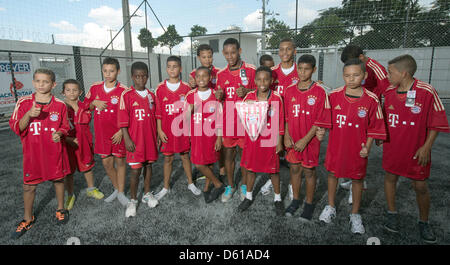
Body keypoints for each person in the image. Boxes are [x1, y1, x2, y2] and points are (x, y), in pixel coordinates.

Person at [381, 54, 449, 243]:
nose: (387, 76)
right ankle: (392, 213)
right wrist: (381, 136)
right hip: (392, 148)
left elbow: (437, 123)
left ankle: (424, 222)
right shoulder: (388, 92)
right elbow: (385, 118)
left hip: (416, 150)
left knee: (419, 186)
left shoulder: (427, 91)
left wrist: (427, 147)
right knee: (390, 177)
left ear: (403, 73)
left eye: (390, 72)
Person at [318, 59, 386, 234]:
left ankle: (355, 214)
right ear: (343, 76)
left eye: (356, 75)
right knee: (332, 174)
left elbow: (375, 126)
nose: (351, 79)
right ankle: (331, 206)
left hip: (358, 149)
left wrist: (368, 146)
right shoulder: (333, 95)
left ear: (364, 76)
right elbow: (324, 117)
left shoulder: (372, 99)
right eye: (347, 75)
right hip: (336, 147)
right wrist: (321, 131)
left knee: (357, 179)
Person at [9, 68, 71, 238]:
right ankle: (28, 218)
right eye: (37, 81)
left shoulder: (60, 105)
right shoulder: (23, 103)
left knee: (58, 180)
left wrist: (59, 133)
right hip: (33, 154)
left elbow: (65, 126)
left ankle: (60, 208)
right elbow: (16, 127)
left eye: (45, 81)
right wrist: (28, 115)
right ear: (33, 82)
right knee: (29, 186)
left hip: (54, 152)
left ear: (53, 84)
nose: (41, 84)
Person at [339, 45, 391, 200]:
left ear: (361, 58)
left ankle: (358, 183)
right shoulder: (356, 71)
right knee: (350, 145)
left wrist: (381, 123)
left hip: (368, 113)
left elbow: (388, 92)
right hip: (355, 110)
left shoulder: (376, 68)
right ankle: (353, 180)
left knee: (361, 148)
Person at [283, 55, 331, 220]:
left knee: (309, 171)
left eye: (307, 69)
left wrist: (305, 139)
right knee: (294, 169)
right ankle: (296, 200)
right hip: (293, 139)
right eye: (300, 68)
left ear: (314, 70)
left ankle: (309, 204)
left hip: (309, 141)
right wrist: (286, 135)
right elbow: (287, 117)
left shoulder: (319, 91)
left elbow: (320, 120)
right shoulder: (289, 90)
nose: (303, 72)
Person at [237, 66, 285, 216]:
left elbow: (280, 121)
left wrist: (280, 141)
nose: (262, 82)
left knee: (274, 170)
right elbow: (242, 117)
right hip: (253, 140)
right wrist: (249, 108)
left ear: (271, 80)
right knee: (251, 169)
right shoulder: (249, 97)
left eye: (265, 79)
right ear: (255, 80)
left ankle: (277, 198)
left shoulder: (276, 97)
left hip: (270, 139)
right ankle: (249, 196)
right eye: (259, 79)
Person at [155, 56, 202, 201]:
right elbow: (158, 113)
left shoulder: (187, 88)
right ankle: (165, 187)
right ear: (166, 68)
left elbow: (195, 106)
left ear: (180, 69)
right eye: (169, 66)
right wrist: (159, 130)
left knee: (184, 156)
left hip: (182, 130)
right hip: (167, 131)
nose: (172, 69)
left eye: (175, 66)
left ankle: (190, 183)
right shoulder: (160, 88)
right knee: (168, 158)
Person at [215, 38, 256, 202]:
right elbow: (219, 99)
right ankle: (231, 186)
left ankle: (244, 185)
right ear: (223, 54)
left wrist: (248, 90)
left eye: (233, 52)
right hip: (228, 123)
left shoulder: (251, 70)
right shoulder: (220, 74)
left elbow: (261, 92)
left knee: (245, 157)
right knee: (229, 156)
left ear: (239, 51)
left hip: (246, 122)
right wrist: (219, 96)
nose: (230, 56)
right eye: (227, 53)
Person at [84, 57, 129, 206]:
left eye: (112, 71)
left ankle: (121, 193)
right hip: (102, 134)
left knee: (120, 162)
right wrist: (93, 103)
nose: (108, 74)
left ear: (118, 71)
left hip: (118, 134)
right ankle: (117, 189)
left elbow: (130, 114)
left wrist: (122, 132)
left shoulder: (124, 90)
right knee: (107, 164)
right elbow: (85, 106)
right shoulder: (95, 88)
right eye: (105, 71)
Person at [118, 62, 159, 217]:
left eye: (143, 76)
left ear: (147, 76)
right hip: (135, 140)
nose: (140, 79)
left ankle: (147, 193)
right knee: (136, 171)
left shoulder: (151, 95)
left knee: (148, 166)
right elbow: (123, 120)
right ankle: (133, 199)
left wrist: (156, 136)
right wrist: (127, 139)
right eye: (137, 76)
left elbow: (155, 118)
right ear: (132, 77)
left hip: (149, 139)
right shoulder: (126, 95)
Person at [261, 38, 299, 198]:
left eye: (288, 49)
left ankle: (292, 184)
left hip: (294, 120)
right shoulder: (273, 72)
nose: (284, 52)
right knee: (273, 153)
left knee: (293, 156)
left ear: (295, 51)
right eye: (281, 49)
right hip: (274, 118)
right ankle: (272, 180)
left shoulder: (301, 71)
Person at [62, 79, 104, 211]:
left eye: (74, 90)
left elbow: (88, 114)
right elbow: (56, 128)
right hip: (67, 143)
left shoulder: (84, 106)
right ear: (63, 92)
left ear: (80, 92)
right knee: (68, 171)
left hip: (84, 142)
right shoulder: (60, 108)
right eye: (68, 90)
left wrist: (77, 105)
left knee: (87, 166)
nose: (71, 93)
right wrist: (68, 139)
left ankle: (91, 189)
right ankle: (70, 195)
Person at [186, 66, 225, 203]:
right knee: (198, 163)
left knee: (209, 162)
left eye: (204, 76)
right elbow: (185, 117)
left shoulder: (215, 95)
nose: (201, 79)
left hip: (211, 135)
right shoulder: (190, 95)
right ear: (195, 78)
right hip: (197, 136)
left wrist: (219, 138)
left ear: (210, 78)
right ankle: (218, 184)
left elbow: (220, 118)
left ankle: (207, 188)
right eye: (198, 76)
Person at [188, 44, 225, 181]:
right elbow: (191, 94)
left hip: (214, 109)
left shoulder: (219, 72)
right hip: (201, 113)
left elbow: (221, 90)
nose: (207, 59)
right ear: (198, 58)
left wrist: (220, 93)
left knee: (217, 146)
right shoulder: (193, 74)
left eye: (210, 56)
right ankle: (205, 171)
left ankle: (221, 172)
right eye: (204, 57)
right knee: (203, 144)